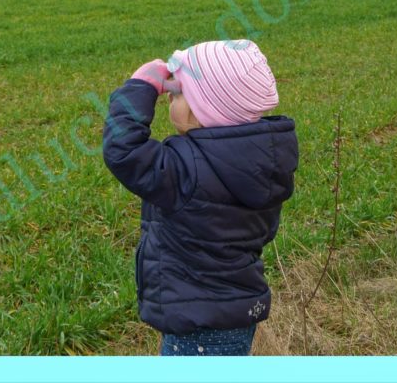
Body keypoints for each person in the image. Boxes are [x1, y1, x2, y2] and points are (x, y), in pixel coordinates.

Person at [102, 39, 299, 356]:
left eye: (179, 94)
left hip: (197, 325)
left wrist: (140, 87)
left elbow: (124, 150)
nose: (170, 99)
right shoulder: (264, 159)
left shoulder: (188, 171)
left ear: (204, 110)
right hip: (236, 310)